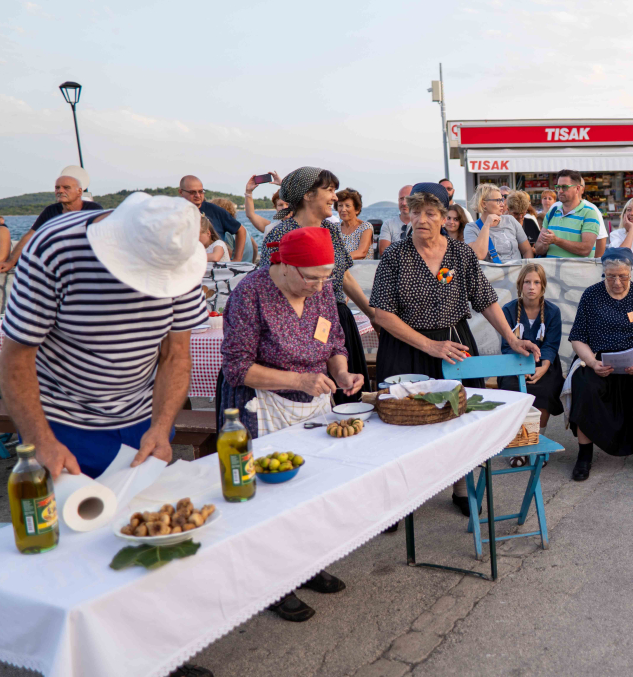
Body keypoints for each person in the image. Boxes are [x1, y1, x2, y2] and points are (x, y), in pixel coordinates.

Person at [0, 192, 213, 677]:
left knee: (156, 546)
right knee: (85, 565)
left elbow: (176, 354)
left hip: (137, 422)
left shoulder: (184, 255)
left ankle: (157, 658)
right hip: (61, 421)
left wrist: (162, 426)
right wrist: (41, 442)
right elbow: (15, 358)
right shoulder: (54, 249)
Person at [218, 226, 364, 620]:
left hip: (312, 403)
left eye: (326, 277)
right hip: (261, 405)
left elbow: (333, 344)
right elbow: (237, 367)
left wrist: (344, 373)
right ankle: (273, 584)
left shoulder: (321, 292)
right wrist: (299, 380)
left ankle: (306, 566)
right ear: (285, 265)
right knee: (269, 501)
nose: (320, 286)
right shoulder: (250, 294)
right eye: (312, 277)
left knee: (310, 490)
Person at [368, 182, 540, 514]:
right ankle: (399, 498)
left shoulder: (460, 253)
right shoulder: (395, 255)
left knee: (457, 418)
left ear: (446, 215)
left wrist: (513, 338)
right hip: (407, 346)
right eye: (415, 211)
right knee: (403, 423)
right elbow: (383, 313)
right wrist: (429, 345)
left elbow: (486, 300)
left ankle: (461, 488)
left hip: (455, 345)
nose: (421, 219)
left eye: (430, 212)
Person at [258, 167, 378, 405]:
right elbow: (268, 287)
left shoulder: (330, 230)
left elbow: (342, 275)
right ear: (307, 195)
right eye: (330, 190)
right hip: (301, 326)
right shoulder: (282, 233)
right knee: (316, 399)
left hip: (336, 317)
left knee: (348, 397)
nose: (335, 197)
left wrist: (371, 314)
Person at [566, 247, 633, 482]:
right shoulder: (591, 295)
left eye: (622, 276)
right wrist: (592, 363)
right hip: (599, 360)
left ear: (631, 273)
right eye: (611, 276)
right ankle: (584, 457)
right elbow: (577, 337)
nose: (617, 281)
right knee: (584, 387)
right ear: (603, 273)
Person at [496, 264, 564, 452]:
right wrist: (522, 369)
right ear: (520, 285)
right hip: (515, 364)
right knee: (512, 390)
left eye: (536, 282)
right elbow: (506, 346)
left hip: (545, 365)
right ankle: (516, 441)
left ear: (543, 286)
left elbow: (551, 345)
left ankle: (537, 440)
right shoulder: (508, 310)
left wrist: (542, 367)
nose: (531, 287)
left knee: (544, 391)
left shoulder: (553, 312)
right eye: (527, 282)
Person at [0, 166, 101, 272]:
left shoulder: (93, 209)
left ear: (79, 192)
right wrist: (11, 261)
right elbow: (30, 236)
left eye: (66, 187)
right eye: (57, 188)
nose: (60, 191)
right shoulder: (50, 211)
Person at [535, 169, 605, 258]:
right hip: (551, 271)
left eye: (564, 187)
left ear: (578, 189)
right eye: (558, 187)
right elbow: (538, 249)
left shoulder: (589, 213)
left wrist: (556, 241)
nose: (560, 191)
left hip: (577, 271)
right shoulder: (552, 212)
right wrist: (544, 245)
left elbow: (586, 249)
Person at [179, 176, 247, 262]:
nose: (198, 195)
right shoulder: (175, 214)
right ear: (181, 192)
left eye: (201, 191)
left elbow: (241, 230)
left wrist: (237, 259)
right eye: (192, 192)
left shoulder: (215, 210)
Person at [465, 184, 534, 263]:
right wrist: (486, 225)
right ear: (483, 204)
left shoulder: (510, 220)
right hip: (492, 275)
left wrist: (526, 270)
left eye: (502, 200)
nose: (502, 204)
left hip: (516, 273)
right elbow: (479, 255)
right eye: (498, 201)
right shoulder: (471, 228)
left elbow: (527, 250)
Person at [336, 188, 374, 260]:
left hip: (361, 269)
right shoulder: (335, 228)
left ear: (357, 210)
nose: (343, 209)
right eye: (340, 205)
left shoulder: (365, 227)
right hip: (339, 269)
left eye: (347, 206)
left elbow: (362, 253)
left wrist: (338, 260)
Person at [378, 185, 413, 257]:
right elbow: (383, 251)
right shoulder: (388, 224)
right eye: (401, 199)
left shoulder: (421, 224)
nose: (404, 203)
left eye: (408, 199)